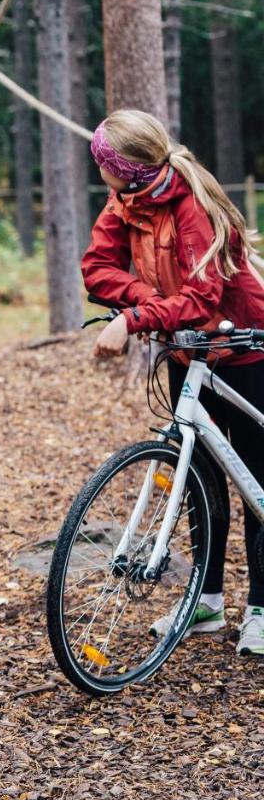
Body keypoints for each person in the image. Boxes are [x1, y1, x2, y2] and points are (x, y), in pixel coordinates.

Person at [81, 108, 264, 655]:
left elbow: (205, 298)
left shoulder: (190, 209)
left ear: (128, 169)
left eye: (103, 164)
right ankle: (205, 601)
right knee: (200, 480)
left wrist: (133, 319)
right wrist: (145, 304)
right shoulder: (127, 200)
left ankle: (261, 608)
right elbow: (96, 267)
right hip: (191, 351)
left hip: (244, 350)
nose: (100, 174)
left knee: (255, 482)